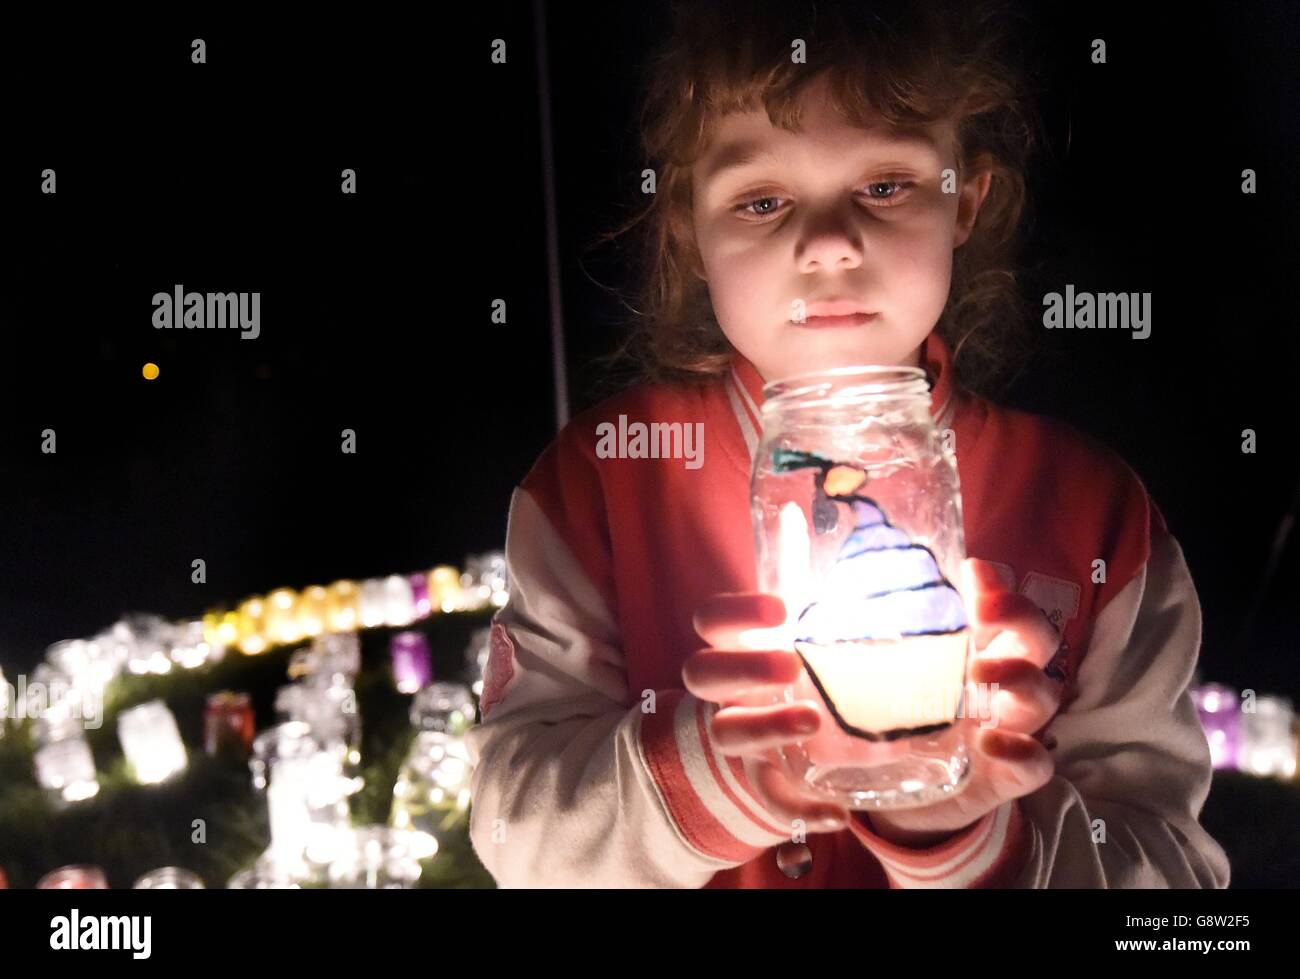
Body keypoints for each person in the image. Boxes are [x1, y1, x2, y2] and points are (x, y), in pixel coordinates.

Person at [465, 0, 1231, 888]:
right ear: (688, 226)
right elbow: (519, 832)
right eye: (761, 199)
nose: (828, 243)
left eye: (885, 186)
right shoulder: (602, 483)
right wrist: (721, 775)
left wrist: (969, 837)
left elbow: (1177, 902)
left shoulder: (1098, 519)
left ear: (967, 203)